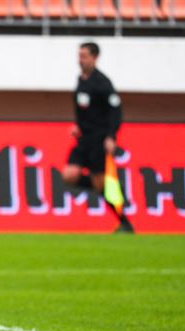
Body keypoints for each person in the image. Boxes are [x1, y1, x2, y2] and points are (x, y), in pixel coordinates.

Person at [62, 41, 135, 234]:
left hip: (98, 139)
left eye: (84, 56)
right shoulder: (81, 80)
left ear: (95, 58)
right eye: (79, 56)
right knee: (69, 175)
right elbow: (85, 109)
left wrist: (111, 136)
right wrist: (78, 125)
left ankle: (124, 222)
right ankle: (99, 187)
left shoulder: (103, 83)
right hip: (83, 139)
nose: (80, 60)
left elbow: (115, 111)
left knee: (102, 184)